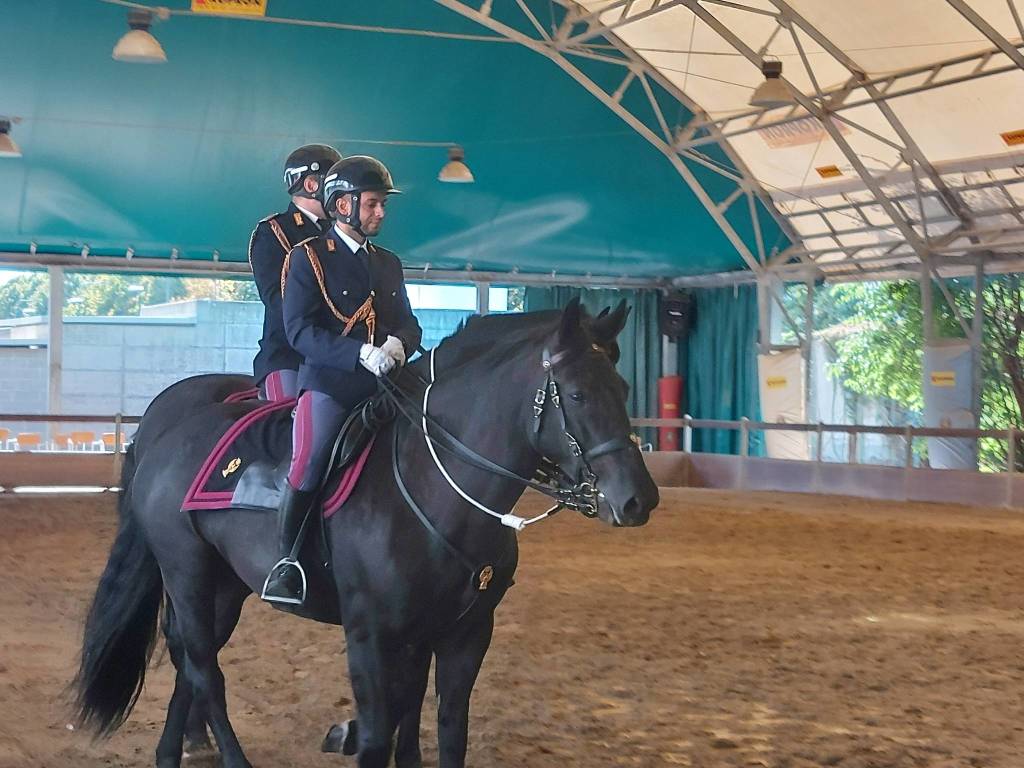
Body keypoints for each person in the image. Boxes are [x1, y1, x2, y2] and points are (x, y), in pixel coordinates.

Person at [262, 155, 422, 605]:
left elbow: (410, 323)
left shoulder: (388, 263)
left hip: (388, 383)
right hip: (332, 385)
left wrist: (398, 346)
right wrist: (359, 353)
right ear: (343, 205)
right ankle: (287, 562)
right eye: (373, 204)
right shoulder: (307, 258)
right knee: (309, 460)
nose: (381, 213)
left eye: (382, 205)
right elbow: (299, 331)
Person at [249, 144, 342, 401]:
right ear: (312, 185)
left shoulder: (341, 236)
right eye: (333, 184)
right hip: (290, 357)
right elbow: (278, 299)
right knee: (289, 425)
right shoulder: (275, 232)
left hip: (339, 358)